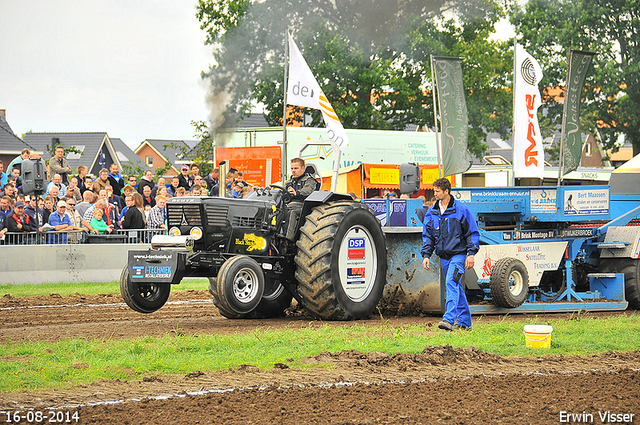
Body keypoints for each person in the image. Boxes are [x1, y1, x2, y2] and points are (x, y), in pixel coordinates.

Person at [421, 178, 479, 332]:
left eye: (437, 191)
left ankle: (448, 320)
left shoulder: (461, 210)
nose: (435, 193)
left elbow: (472, 232)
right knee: (456, 286)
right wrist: (426, 255)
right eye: (434, 190)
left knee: (451, 283)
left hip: (458, 255)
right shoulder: (431, 212)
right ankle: (465, 322)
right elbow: (428, 236)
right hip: (444, 257)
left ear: (446, 191)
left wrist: (471, 254)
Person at [282, 158, 317, 239]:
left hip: (303, 206)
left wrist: (296, 193)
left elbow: (307, 191)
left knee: (292, 212)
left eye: (296, 168)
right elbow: (281, 191)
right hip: (289, 205)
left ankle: (287, 238)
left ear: (303, 168)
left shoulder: (310, 181)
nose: (293, 171)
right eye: (292, 168)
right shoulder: (289, 182)